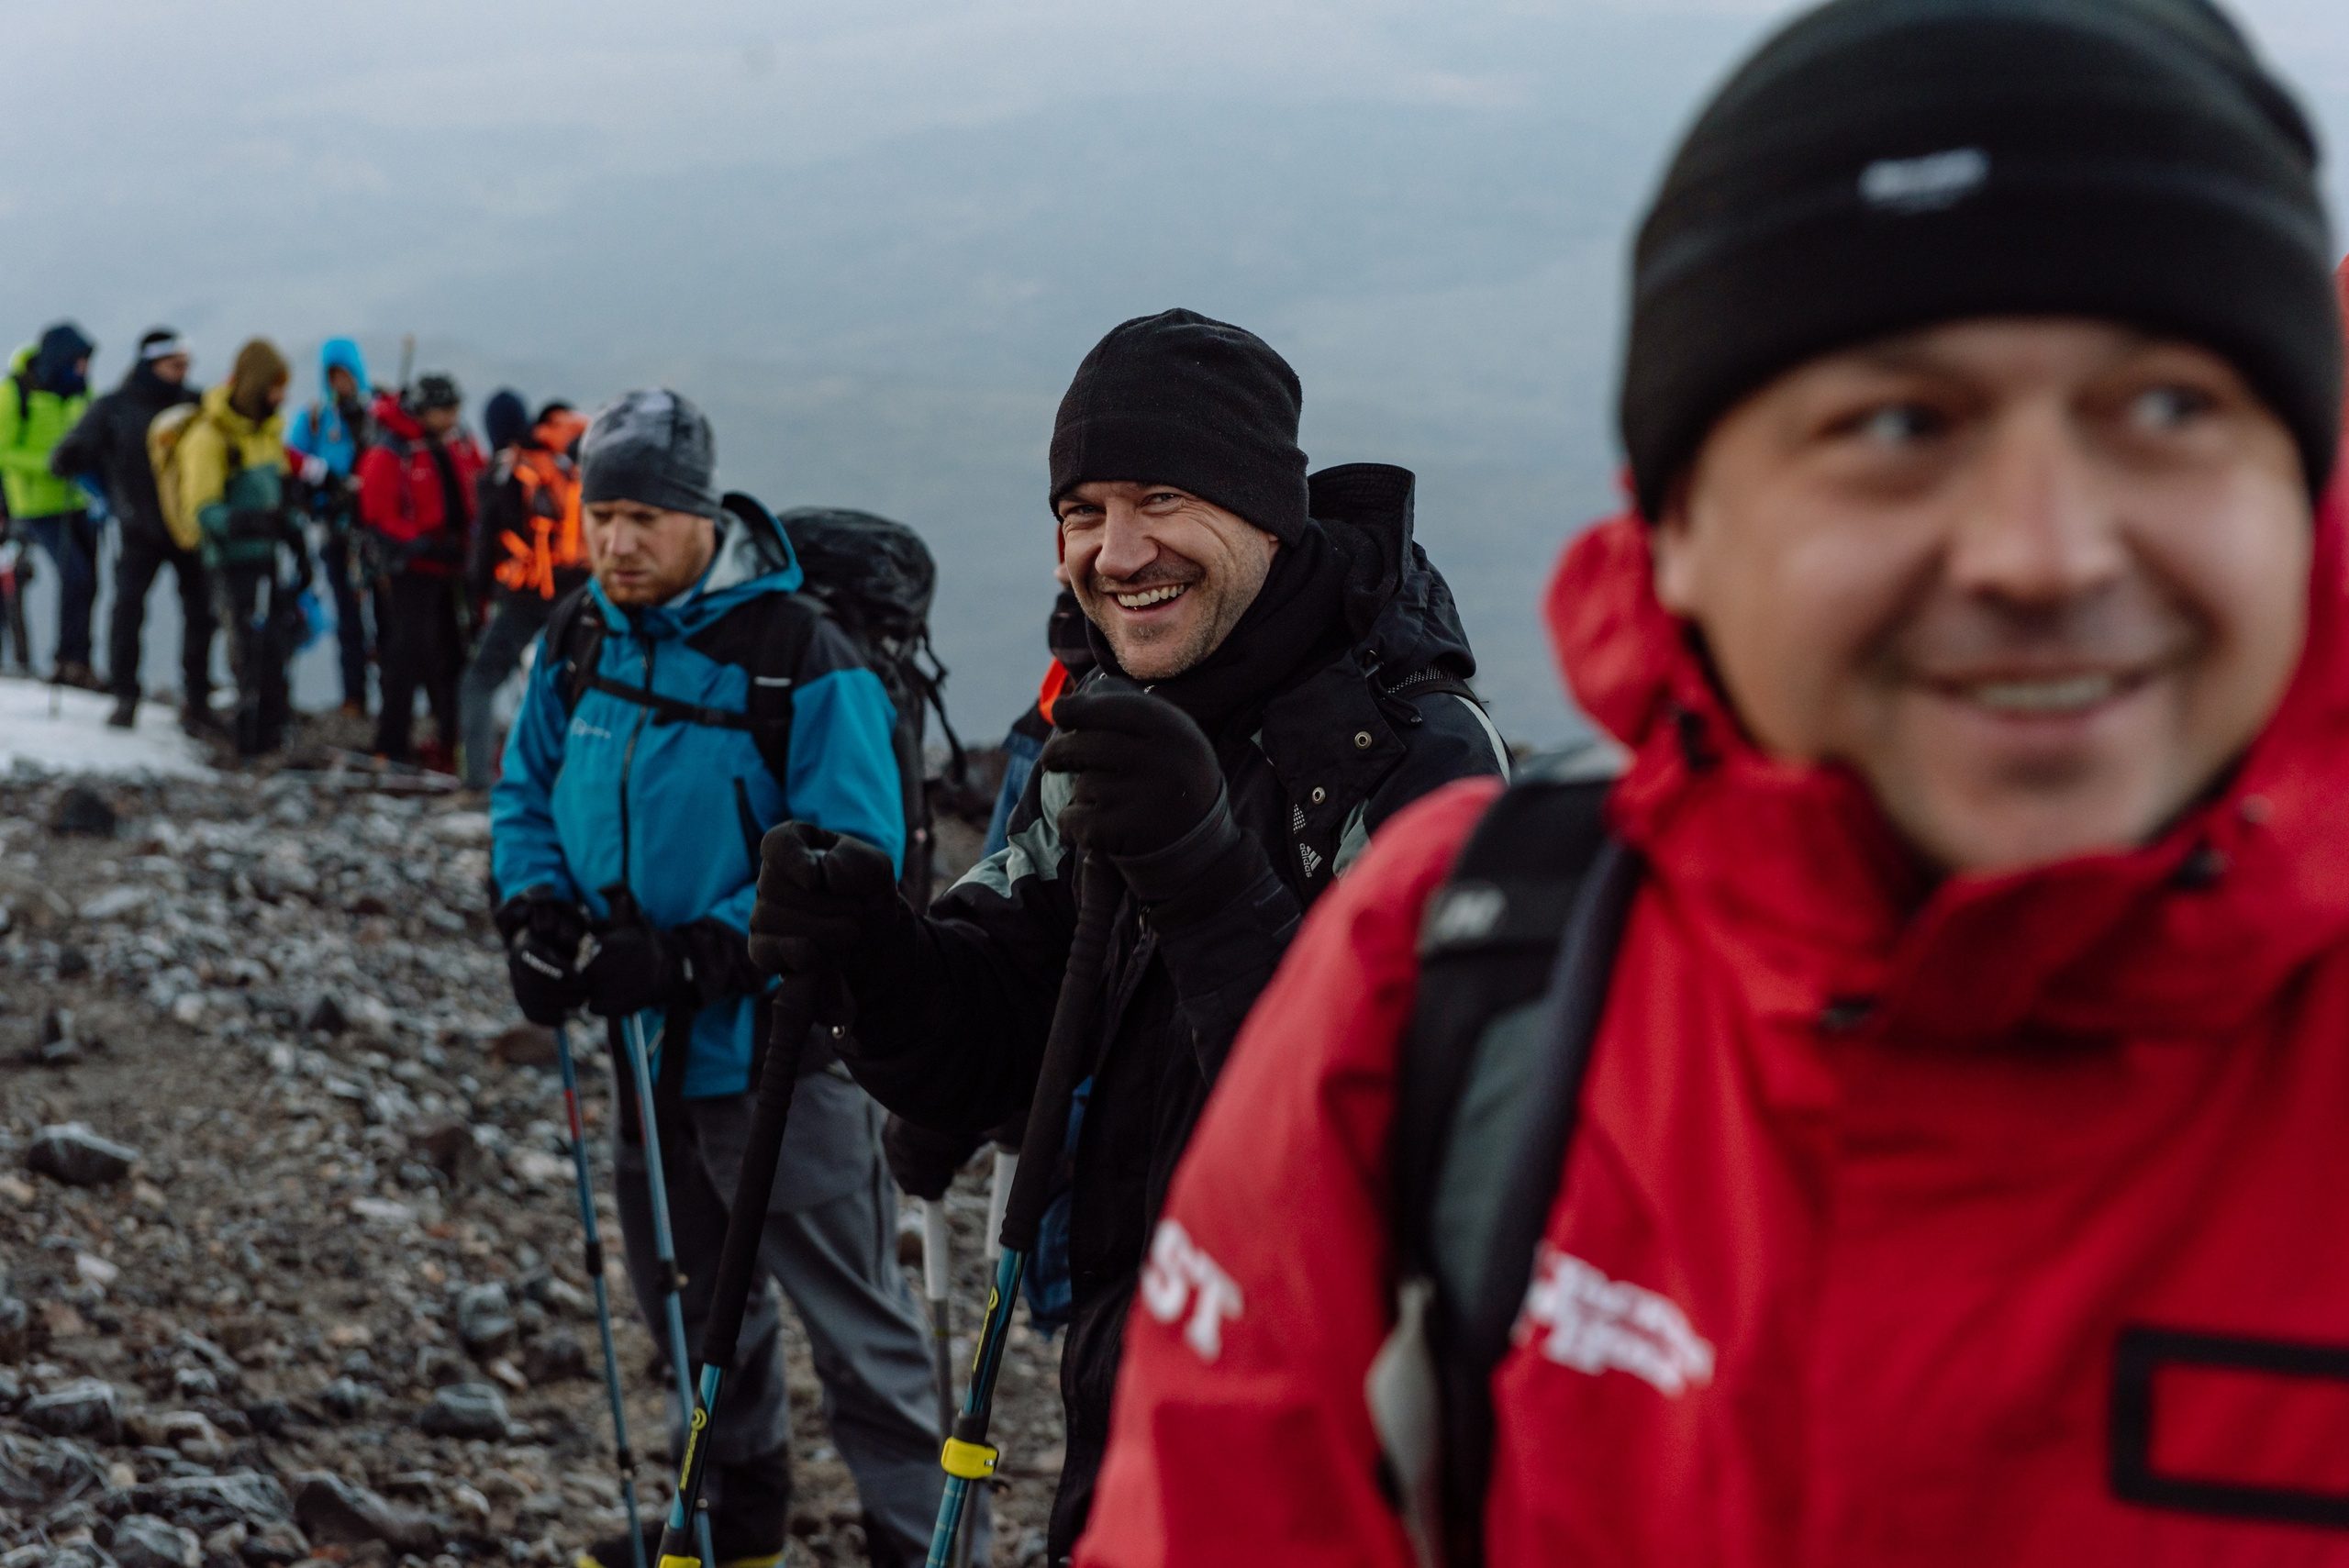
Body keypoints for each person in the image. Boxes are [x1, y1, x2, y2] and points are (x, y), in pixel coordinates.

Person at [1074, 2, 2349, 1564]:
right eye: (1897, 424)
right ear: (1677, 527)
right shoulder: (1448, 975)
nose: (2042, 553)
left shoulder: (1420, 833)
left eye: (2169, 409)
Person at [745, 308, 1510, 1559]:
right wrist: (873, 961)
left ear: (1267, 509)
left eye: (1163, 498)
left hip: (1330, 1441)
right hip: (1131, 1392)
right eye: (1083, 511)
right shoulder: (1124, 710)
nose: (1118, 551)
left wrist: (1206, 886)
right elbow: (1007, 1030)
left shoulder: (1413, 753)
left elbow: (1418, 1150)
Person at [488, 390, 963, 1568]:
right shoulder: (582, 635)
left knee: (857, 1325)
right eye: (601, 516)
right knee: (694, 1303)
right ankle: (729, 1531)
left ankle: (930, 1547)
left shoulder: (799, 655)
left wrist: (701, 948)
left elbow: (852, 855)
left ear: (705, 516)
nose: (616, 542)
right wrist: (535, 911)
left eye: (644, 518)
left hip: (779, 1056)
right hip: (643, 1050)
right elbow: (525, 789)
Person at [51, 329, 208, 731]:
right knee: (127, 611)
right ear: (151, 364)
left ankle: (197, 698)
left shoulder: (195, 404)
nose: (181, 372)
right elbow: (76, 448)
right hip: (139, 529)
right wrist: (68, 458)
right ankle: (125, 694)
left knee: (200, 612)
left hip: (189, 528)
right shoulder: (114, 407)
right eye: (174, 364)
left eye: (185, 365)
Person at [180, 339, 307, 757]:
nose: (281, 396)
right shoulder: (209, 436)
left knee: (275, 641)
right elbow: (202, 510)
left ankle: (273, 726)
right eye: (275, 386)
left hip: (267, 557)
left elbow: (280, 492)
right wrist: (252, 522)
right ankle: (251, 736)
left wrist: (292, 534)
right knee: (247, 645)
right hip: (231, 561)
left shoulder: (266, 432)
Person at [459, 398, 588, 790]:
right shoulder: (565, 463)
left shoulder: (507, 471)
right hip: (578, 589)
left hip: (526, 594)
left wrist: (477, 597)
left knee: (480, 681)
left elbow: (487, 543)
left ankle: (478, 779)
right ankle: (574, 777)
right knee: (575, 683)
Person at [359, 373, 482, 768]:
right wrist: (422, 543)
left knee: (454, 652)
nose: (452, 418)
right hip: (414, 569)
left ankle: (451, 738)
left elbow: (476, 484)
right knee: (408, 653)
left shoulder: (457, 442)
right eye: (445, 411)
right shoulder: (393, 450)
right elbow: (378, 514)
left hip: (454, 565)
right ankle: (392, 742)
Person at [1, 322, 99, 688]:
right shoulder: (14, 392)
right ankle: (67, 660)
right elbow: (3, 451)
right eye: (78, 361)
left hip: (77, 499)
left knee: (89, 580)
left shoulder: (79, 391)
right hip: (35, 505)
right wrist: (49, 464)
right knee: (76, 576)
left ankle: (79, 659)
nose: (83, 368)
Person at [285, 338, 379, 718]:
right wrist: (323, 484)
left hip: (375, 533)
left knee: (386, 616)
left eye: (346, 374)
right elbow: (291, 460)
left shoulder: (377, 415)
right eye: (334, 376)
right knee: (348, 616)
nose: (341, 383)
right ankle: (354, 696)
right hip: (336, 531)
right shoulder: (315, 419)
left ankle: (389, 695)